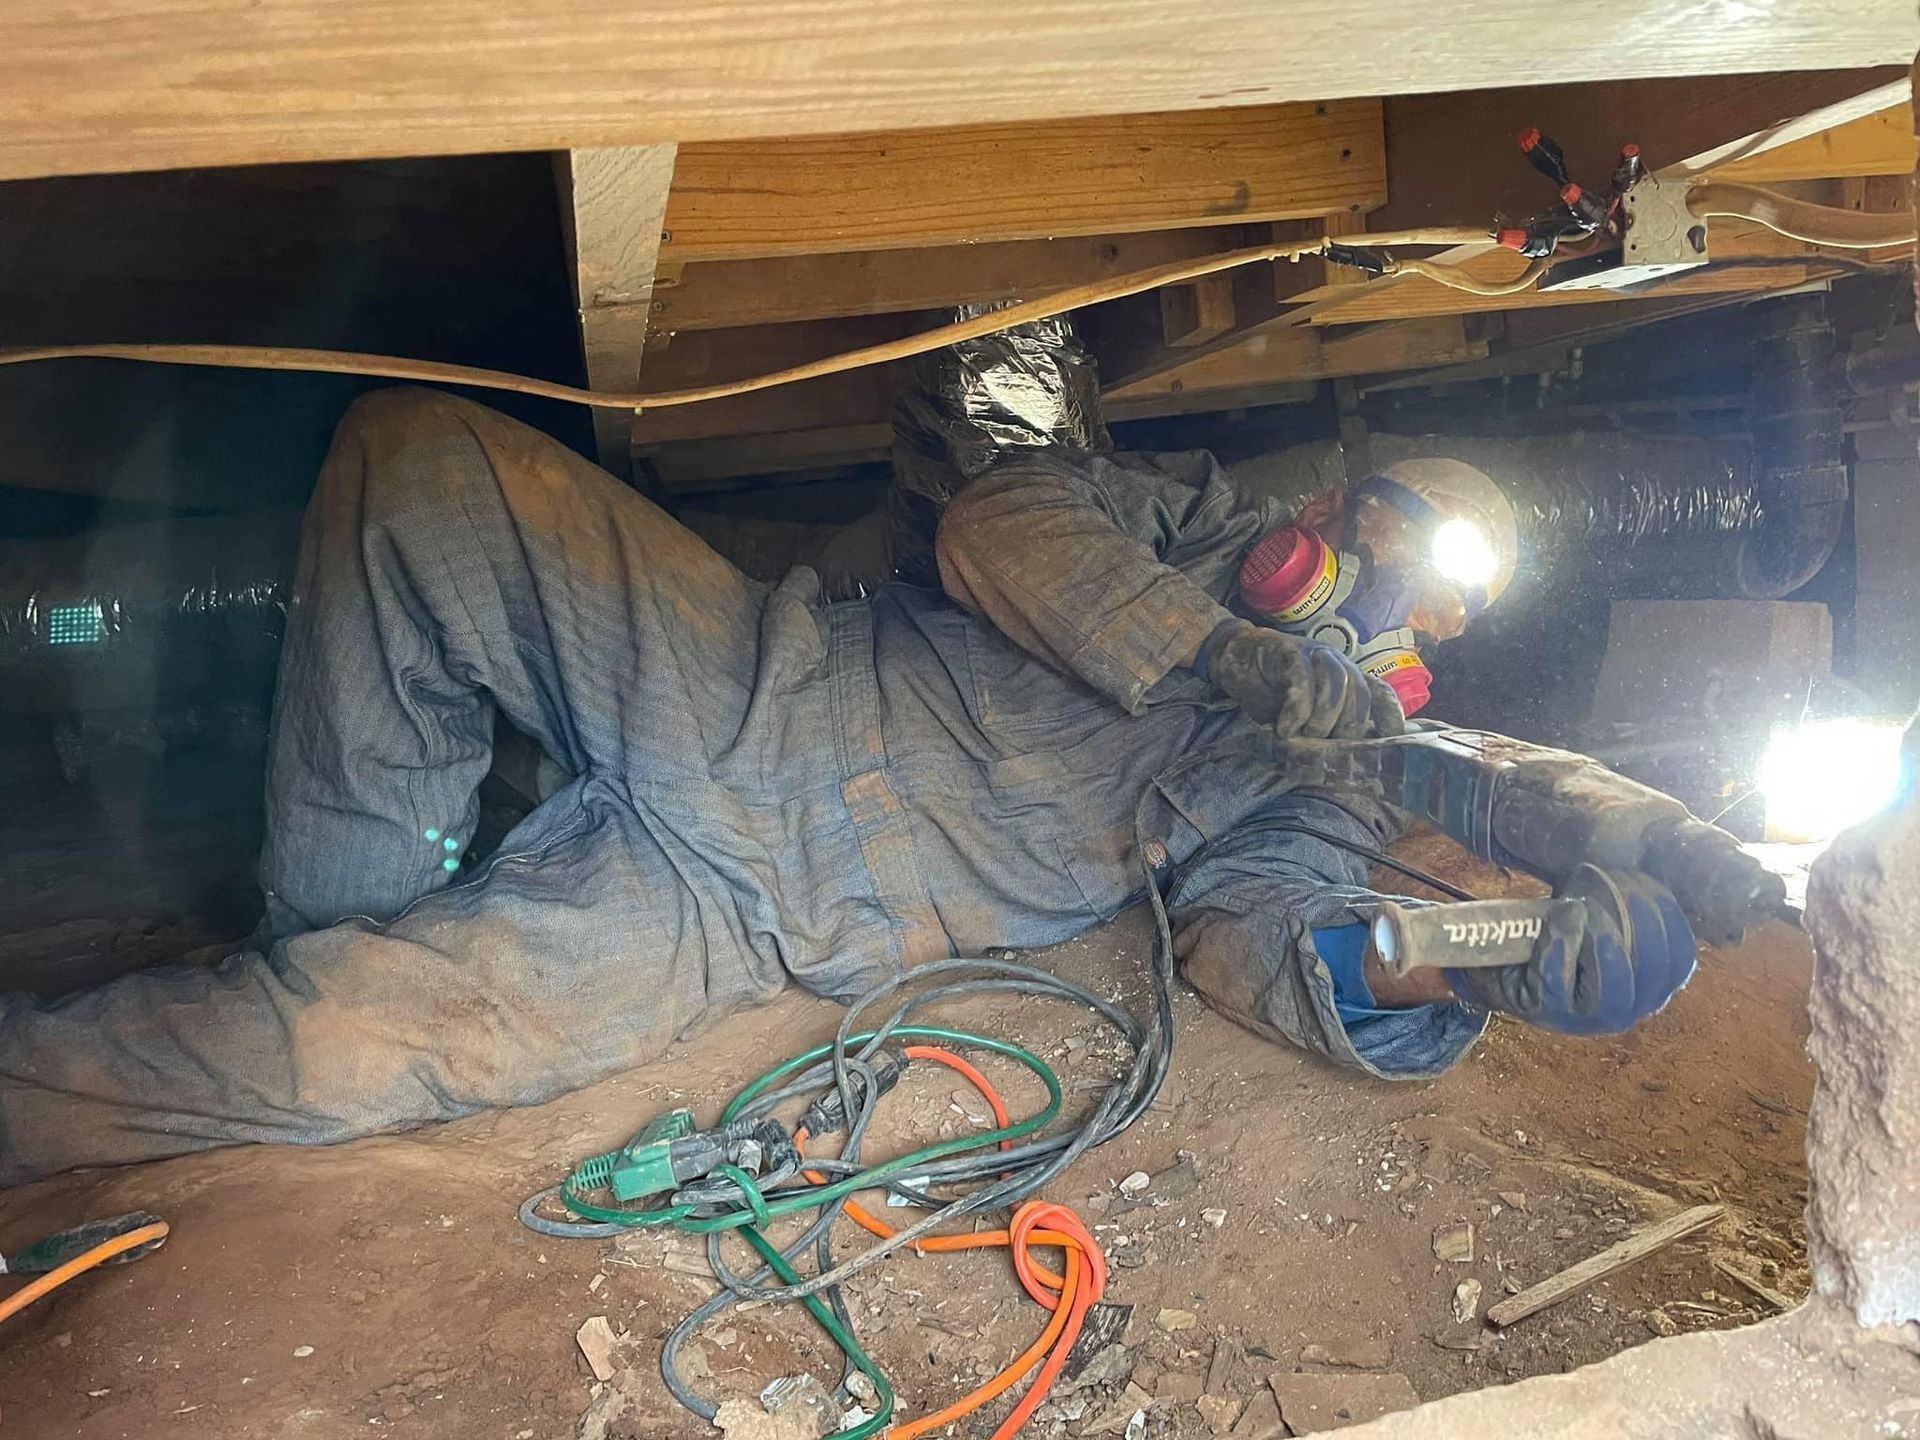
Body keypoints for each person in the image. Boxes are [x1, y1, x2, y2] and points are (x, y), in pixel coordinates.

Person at [0, 387, 1696, 1186]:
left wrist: (1470, 960)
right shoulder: (1190, 520)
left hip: (772, 916)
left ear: (1433, 632)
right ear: (1330, 512)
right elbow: (1000, 522)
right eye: (1369, 524)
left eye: (1410, 576)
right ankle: (344, 900)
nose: (1358, 564)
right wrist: (1209, 645)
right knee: (418, 465)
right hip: (751, 680)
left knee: (354, 1049)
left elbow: (1260, 939)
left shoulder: (1330, 780)